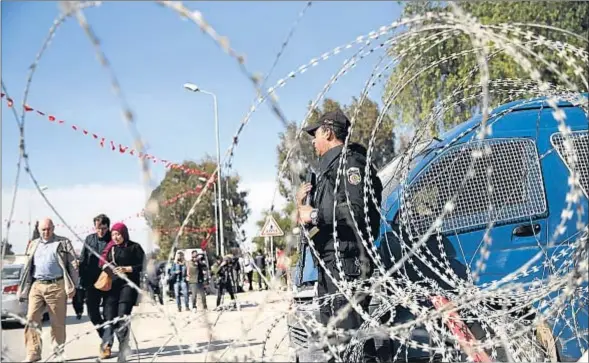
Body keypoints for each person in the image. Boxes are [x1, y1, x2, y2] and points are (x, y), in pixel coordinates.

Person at [297, 110, 382, 362]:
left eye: (316, 134)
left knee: (350, 343)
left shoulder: (350, 164)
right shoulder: (327, 170)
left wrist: (313, 215)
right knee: (336, 343)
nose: (313, 141)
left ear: (328, 132)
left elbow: (355, 211)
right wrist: (303, 208)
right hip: (331, 264)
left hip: (347, 263)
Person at [17, 218, 79, 362]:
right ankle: (33, 352)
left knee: (57, 322)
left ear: (53, 228)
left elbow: (73, 264)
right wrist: (23, 288)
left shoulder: (63, 242)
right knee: (31, 318)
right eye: (43, 230)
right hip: (37, 285)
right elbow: (27, 268)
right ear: (39, 230)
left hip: (56, 285)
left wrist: (73, 286)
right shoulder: (33, 244)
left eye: (49, 229)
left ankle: (58, 353)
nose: (46, 232)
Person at [99, 222, 145, 361]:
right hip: (113, 286)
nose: (116, 237)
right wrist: (108, 267)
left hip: (128, 285)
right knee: (110, 316)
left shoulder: (134, 247)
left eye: (118, 234)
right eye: (113, 234)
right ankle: (113, 344)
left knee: (123, 315)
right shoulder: (111, 248)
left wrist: (127, 268)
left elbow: (142, 264)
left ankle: (123, 349)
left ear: (124, 234)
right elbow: (101, 263)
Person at [78, 214, 112, 354]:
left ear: (107, 227)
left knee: (109, 314)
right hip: (91, 283)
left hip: (110, 282)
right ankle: (105, 335)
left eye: (103, 228)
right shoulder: (89, 239)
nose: (100, 231)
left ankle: (107, 344)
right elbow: (83, 260)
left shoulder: (113, 239)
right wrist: (80, 283)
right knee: (93, 313)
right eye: (98, 228)